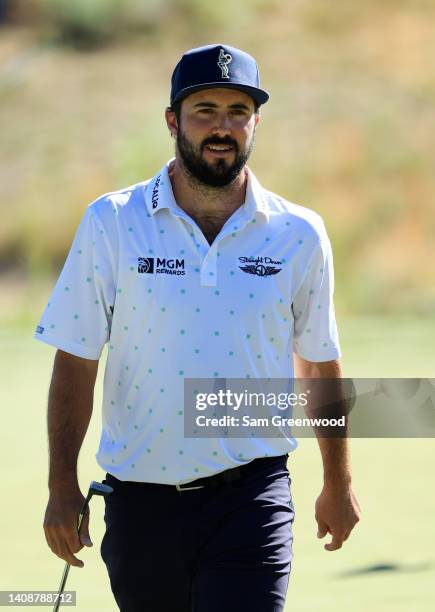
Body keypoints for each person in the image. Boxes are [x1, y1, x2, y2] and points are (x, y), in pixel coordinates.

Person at [36, 43, 361, 612]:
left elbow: (319, 363)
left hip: (253, 497)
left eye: (238, 112)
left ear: (255, 122)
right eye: (204, 110)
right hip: (141, 505)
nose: (222, 127)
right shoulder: (112, 221)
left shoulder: (300, 234)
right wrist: (60, 484)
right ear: (172, 121)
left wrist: (339, 481)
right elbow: (77, 357)